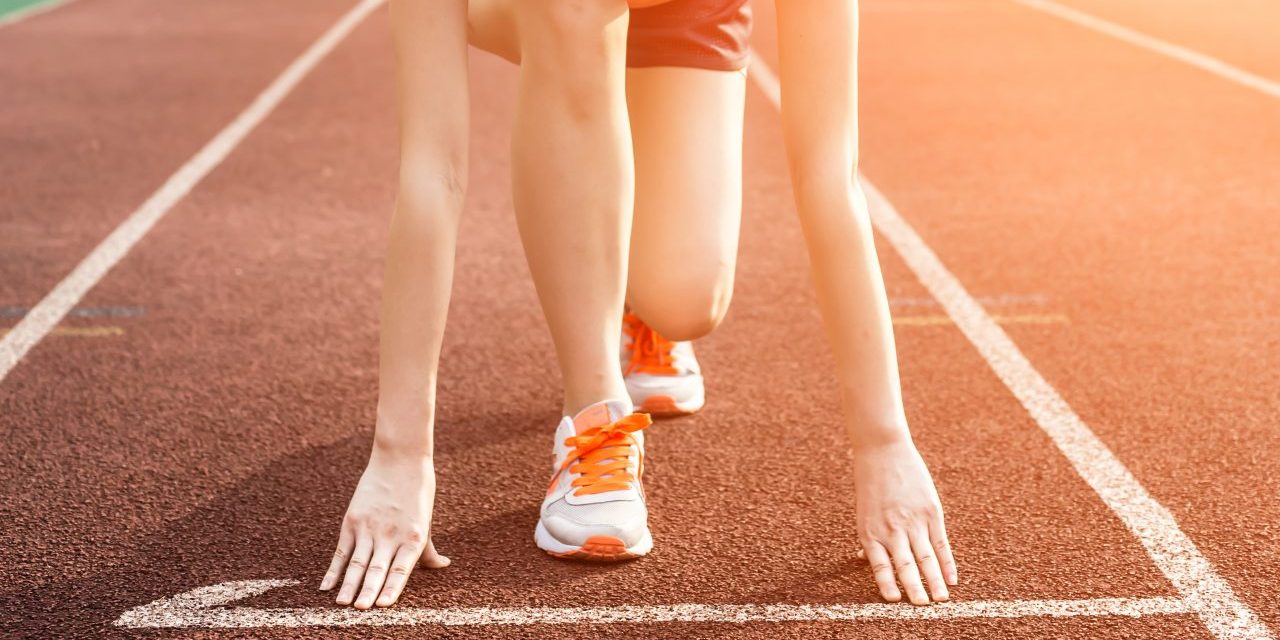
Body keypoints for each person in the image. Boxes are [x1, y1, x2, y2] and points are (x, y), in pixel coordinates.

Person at [321, 0, 957, 611]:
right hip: (533, 10)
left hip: (686, 13)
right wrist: (400, 454)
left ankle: (631, 294)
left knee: (686, 300)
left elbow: (829, 171)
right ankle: (592, 412)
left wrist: (883, 443)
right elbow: (434, 171)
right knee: (569, 12)